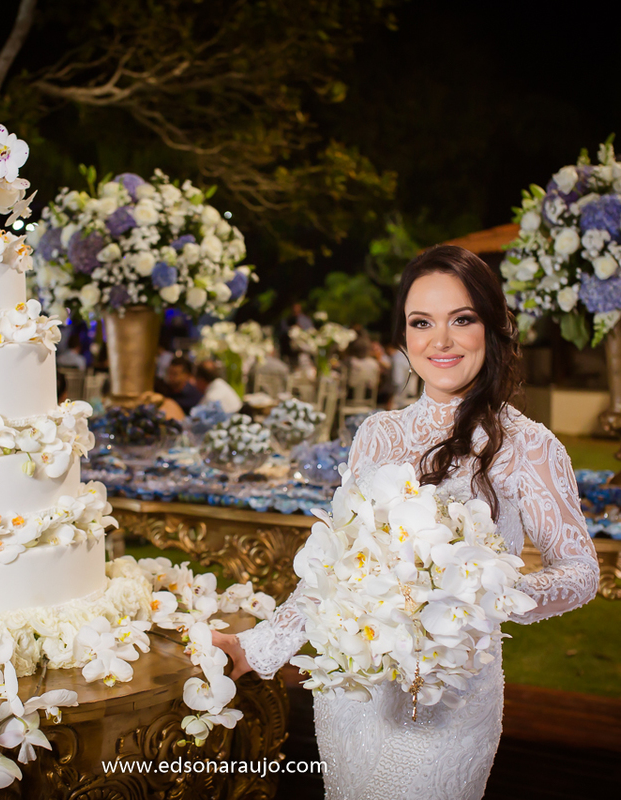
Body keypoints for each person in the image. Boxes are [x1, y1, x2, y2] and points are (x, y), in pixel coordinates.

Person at [212, 245, 599, 800]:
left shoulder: (528, 445)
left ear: (492, 328)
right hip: (355, 694)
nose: (440, 341)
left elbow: (580, 572)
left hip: (449, 701)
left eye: (461, 319)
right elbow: (333, 568)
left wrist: (482, 593)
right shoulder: (379, 433)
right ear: (403, 338)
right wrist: (258, 648)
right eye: (422, 323)